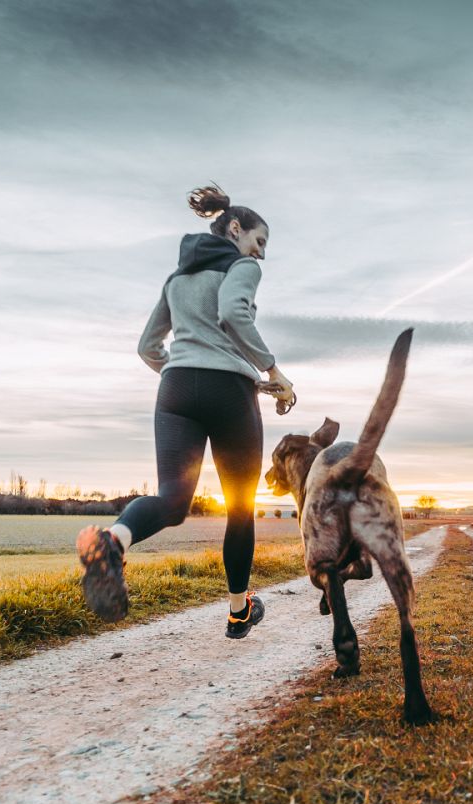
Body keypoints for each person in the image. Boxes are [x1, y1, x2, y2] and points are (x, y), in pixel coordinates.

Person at [76, 184, 295, 638]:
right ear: (235, 228)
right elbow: (234, 315)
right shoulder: (242, 266)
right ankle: (239, 611)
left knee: (173, 499)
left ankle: (113, 542)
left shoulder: (176, 278)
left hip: (175, 390)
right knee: (239, 507)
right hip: (230, 394)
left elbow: (147, 347)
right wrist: (274, 371)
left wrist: (183, 371)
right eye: (259, 242)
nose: (261, 254)